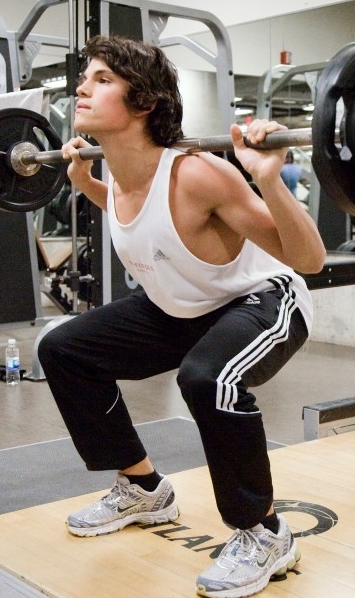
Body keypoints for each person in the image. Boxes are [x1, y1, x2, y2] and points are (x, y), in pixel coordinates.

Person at [37, 35, 326, 598]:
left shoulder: (197, 174)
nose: (82, 87)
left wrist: (267, 178)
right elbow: (149, 222)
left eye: (102, 79)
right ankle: (144, 488)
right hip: (181, 308)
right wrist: (87, 185)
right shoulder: (120, 173)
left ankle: (264, 532)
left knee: (208, 377)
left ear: (143, 104)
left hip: (261, 299)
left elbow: (309, 259)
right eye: (85, 76)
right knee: (63, 349)